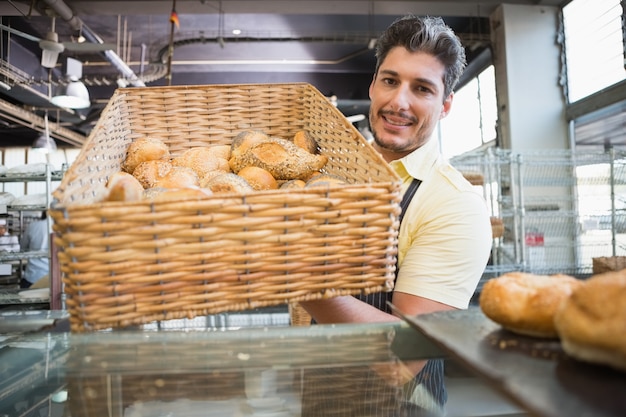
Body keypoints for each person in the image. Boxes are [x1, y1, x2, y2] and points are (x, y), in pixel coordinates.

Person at [299, 15, 493, 415]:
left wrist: (291, 275)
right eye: (390, 80)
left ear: (446, 105)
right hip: (321, 397)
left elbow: (401, 357)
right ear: (373, 85)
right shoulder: (331, 171)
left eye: (421, 89)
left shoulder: (453, 204)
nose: (398, 102)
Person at [20, 211, 50, 288]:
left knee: (27, 299)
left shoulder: (33, 226)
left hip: (33, 276)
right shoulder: (64, 229)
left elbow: (23, 248)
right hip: (54, 278)